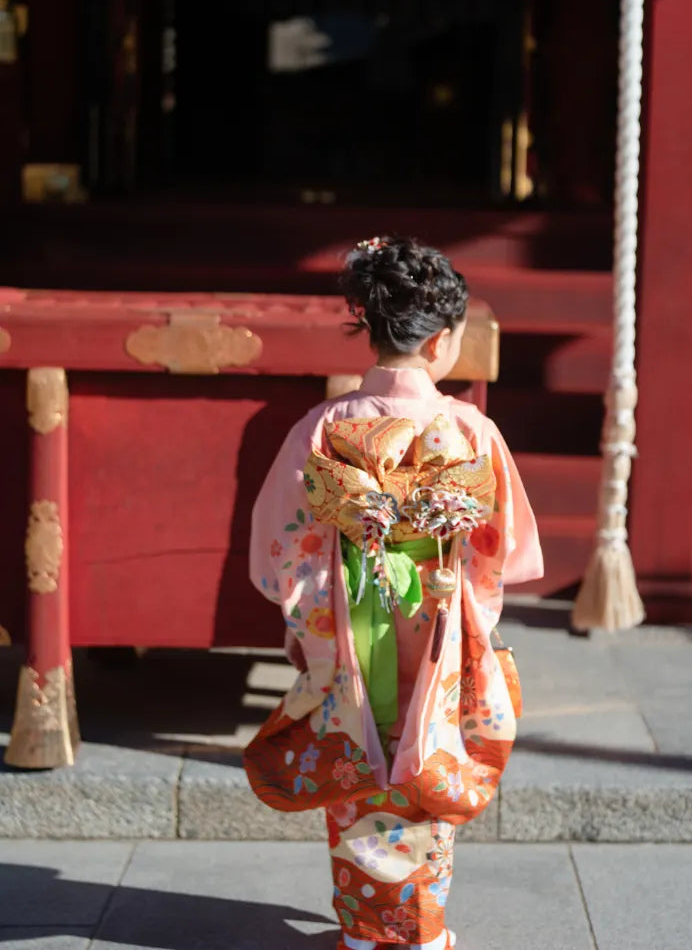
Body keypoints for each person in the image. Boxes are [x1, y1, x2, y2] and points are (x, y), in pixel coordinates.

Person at [244, 237, 543, 950]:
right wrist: (465, 601)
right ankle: (422, 931)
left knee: (358, 764)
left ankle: (360, 932)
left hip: (351, 622)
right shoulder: (469, 428)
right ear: (442, 341)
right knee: (427, 770)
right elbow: (500, 548)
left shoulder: (323, 427)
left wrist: (313, 624)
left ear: (370, 329)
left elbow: (283, 545)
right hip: (438, 617)